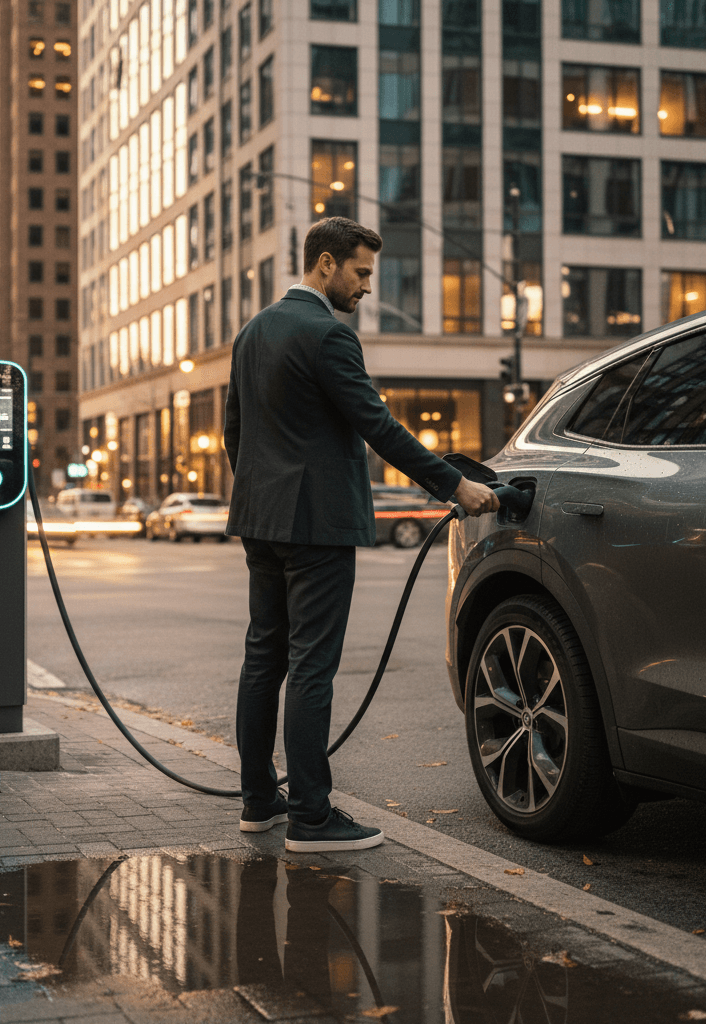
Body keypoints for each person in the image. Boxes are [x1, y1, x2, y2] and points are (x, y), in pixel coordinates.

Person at [223, 217, 499, 853]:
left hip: (261, 524)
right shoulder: (328, 335)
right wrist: (454, 486)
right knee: (311, 665)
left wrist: (262, 499)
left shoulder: (253, 331)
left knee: (263, 657)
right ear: (325, 264)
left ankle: (259, 801)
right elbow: (378, 427)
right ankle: (312, 818)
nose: (368, 287)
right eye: (362, 272)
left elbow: (238, 432)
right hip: (315, 525)